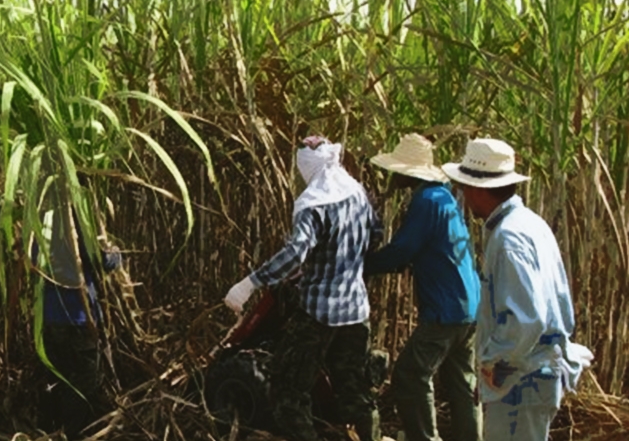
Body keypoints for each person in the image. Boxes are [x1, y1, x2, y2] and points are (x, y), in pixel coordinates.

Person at [222, 135, 382, 441]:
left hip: (320, 313)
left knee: (288, 393)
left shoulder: (314, 204)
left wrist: (248, 284)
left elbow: (296, 252)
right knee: (355, 392)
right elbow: (375, 234)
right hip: (356, 309)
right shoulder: (357, 193)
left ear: (307, 169)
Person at [441, 139, 593, 440]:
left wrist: (494, 372)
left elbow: (527, 320)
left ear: (478, 190)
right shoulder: (530, 224)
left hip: (522, 380)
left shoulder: (509, 238)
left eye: (466, 188)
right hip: (532, 376)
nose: (465, 197)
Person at [363, 133, 482, 441]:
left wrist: (364, 266)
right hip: (468, 306)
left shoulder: (427, 201)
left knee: (410, 374)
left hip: (445, 309)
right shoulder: (444, 197)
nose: (393, 175)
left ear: (407, 173)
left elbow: (404, 249)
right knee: (460, 383)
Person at [32, 193, 122, 438]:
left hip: (49, 316)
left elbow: (32, 261)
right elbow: (104, 260)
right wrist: (116, 252)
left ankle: (47, 428)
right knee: (84, 378)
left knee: (54, 374)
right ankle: (73, 432)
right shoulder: (80, 226)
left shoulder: (42, 226)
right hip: (78, 316)